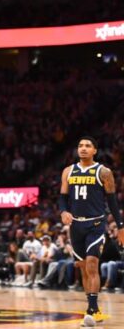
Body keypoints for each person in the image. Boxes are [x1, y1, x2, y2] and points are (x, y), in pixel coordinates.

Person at [58, 136, 124, 327]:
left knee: (92, 265)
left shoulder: (104, 172)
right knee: (83, 269)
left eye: (88, 146)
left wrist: (120, 226)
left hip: (96, 225)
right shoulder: (68, 171)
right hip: (76, 226)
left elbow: (112, 202)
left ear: (95, 150)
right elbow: (62, 197)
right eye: (80, 145)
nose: (83, 149)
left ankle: (92, 310)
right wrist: (63, 211)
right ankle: (92, 306)